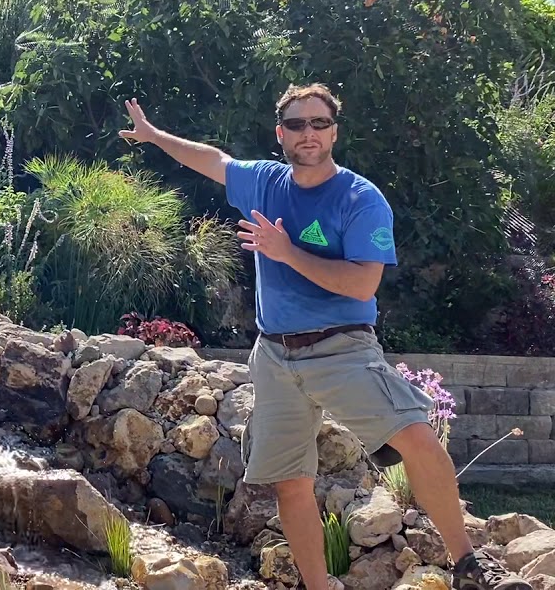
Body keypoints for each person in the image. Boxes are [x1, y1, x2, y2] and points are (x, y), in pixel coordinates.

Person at [118, 83, 529, 590]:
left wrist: (287, 252)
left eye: (318, 123)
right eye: (296, 124)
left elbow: (361, 283)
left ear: (333, 131)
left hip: (343, 347)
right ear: (280, 133)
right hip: (273, 356)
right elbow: (214, 159)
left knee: (419, 439)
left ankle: (470, 567)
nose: (307, 132)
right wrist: (155, 135)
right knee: (292, 483)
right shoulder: (265, 182)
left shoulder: (361, 198)